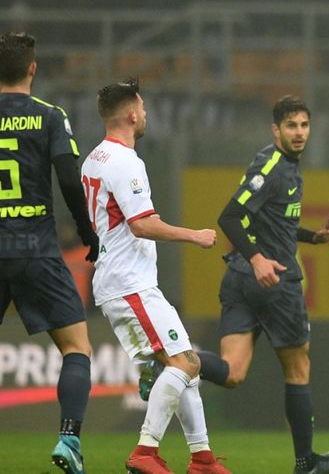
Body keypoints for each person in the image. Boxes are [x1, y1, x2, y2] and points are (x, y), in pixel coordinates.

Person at [146, 95, 329, 474]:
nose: (299, 133)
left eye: (304, 125)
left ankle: (172, 363)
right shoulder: (271, 165)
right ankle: (306, 463)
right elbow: (230, 217)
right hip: (271, 280)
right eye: (291, 126)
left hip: (239, 279)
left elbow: (275, 225)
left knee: (232, 372)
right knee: (298, 369)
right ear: (276, 130)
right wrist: (257, 260)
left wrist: (314, 238)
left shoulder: (284, 166)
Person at [80, 78, 230, 474]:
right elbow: (142, 225)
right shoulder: (127, 162)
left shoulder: (94, 158)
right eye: (143, 108)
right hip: (130, 284)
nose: (146, 114)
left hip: (122, 280)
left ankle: (202, 459)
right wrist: (194, 236)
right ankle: (145, 452)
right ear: (131, 113)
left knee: (184, 366)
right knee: (185, 364)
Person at [0, 31, 98, 474]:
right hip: (36, 248)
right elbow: (69, 179)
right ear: (32, 69)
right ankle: (69, 438)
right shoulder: (49, 117)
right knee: (76, 347)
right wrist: (86, 231)